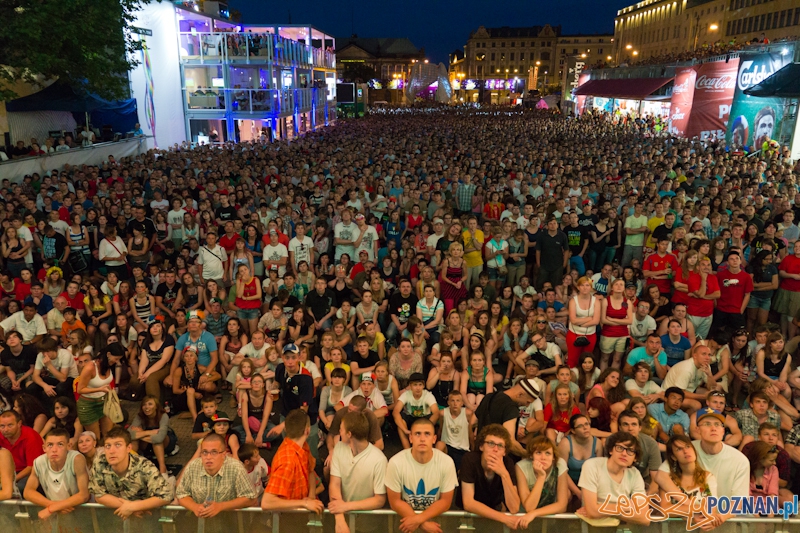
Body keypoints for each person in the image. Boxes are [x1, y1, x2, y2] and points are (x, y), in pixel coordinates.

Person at [385, 418, 458, 533]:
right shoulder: (395, 462)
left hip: (435, 524)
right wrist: (423, 524)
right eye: (417, 434)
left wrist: (419, 520)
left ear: (434, 439)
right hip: (405, 526)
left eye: (427, 434)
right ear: (411, 438)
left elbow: (445, 501)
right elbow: (395, 502)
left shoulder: (447, 462)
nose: (422, 439)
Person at [88, 426, 172, 518]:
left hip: (146, 516)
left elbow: (166, 495)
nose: (111, 451)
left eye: (118, 445)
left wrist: (133, 507)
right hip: (116, 515)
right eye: (108, 446)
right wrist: (129, 507)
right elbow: (99, 495)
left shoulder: (144, 466)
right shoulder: (100, 462)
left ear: (128, 448)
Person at [328, 410, 388, 533]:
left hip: (369, 526)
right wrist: (339, 519)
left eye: (341, 429)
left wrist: (345, 506)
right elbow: (334, 484)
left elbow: (379, 500)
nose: (339, 432)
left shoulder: (379, 459)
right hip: (343, 519)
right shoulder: (339, 448)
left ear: (349, 434)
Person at [176, 432, 259, 516]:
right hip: (199, 521)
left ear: (224, 454)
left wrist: (221, 506)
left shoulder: (236, 468)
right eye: (204, 452)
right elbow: (181, 494)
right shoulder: (192, 467)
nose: (208, 457)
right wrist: (195, 507)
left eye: (214, 452)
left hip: (230, 522)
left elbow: (251, 498)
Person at [456, 424, 521, 530]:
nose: (495, 449)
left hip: (493, 512)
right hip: (466, 513)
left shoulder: (508, 463)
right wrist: (503, 518)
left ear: (504, 452)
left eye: (500, 446)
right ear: (481, 446)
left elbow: (514, 508)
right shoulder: (470, 459)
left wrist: (504, 474)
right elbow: (468, 503)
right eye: (491, 443)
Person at [578, 431, 650, 525]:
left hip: (622, 526)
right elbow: (592, 512)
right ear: (611, 450)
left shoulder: (635, 474)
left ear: (635, 458)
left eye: (630, 451)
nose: (624, 453)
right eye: (620, 448)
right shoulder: (592, 466)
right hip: (591, 526)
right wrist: (626, 507)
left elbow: (644, 518)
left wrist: (605, 511)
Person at [261, 409, 323, 512]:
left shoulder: (304, 446)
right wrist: (304, 503)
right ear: (307, 431)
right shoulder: (287, 461)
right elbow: (267, 502)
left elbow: (310, 470)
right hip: (289, 517)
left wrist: (311, 497)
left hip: (302, 511)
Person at [23, 428, 90, 520]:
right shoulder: (39, 462)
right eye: (50, 445)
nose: (54, 449)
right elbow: (28, 492)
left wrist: (52, 509)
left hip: (81, 512)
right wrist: (53, 506)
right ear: (44, 448)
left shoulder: (76, 459)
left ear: (69, 446)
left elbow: (84, 495)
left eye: (60, 444)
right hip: (57, 513)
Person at [474, 378, 543, 457]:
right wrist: (528, 455)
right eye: (528, 402)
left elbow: (472, 423)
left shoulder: (489, 397)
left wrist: (474, 450)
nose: (526, 405)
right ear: (520, 394)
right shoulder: (511, 408)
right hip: (496, 458)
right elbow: (510, 442)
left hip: (479, 453)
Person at [617, 410, 661, 494]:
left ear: (640, 427)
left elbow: (656, 479)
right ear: (620, 427)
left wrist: (645, 499)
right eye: (625, 424)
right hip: (619, 481)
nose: (630, 428)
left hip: (644, 480)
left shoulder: (650, 444)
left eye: (634, 424)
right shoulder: (612, 443)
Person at [662, 344, 715, 413]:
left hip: (689, 390)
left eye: (709, 355)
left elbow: (712, 387)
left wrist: (709, 375)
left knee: (713, 395)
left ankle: (709, 417)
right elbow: (680, 391)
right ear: (695, 356)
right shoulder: (687, 369)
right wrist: (703, 397)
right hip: (672, 394)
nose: (707, 358)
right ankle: (684, 421)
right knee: (696, 405)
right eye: (704, 354)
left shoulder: (705, 366)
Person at [0, 409, 43, 494]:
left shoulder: (31, 436)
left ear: (19, 424)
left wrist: (11, 480)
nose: (6, 429)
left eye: (10, 425)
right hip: (8, 472)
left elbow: (31, 467)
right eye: (2, 426)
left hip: (31, 473)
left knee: (20, 488)